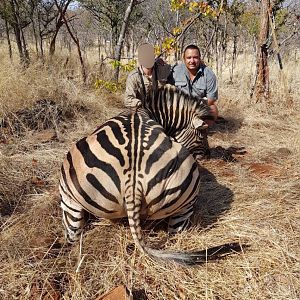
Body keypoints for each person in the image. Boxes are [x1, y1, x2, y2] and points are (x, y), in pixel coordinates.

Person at [168, 44, 218, 121]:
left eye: (195, 57)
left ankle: (202, 130)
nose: (192, 61)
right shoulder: (174, 71)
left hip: (198, 108)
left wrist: (193, 108)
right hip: (179, 108)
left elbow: (211, 100)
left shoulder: (209, 74)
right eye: (189, 58)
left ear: (200, 58)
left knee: (213, 109)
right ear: (184, 59)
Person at [124, 43, 170, 108]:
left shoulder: (161, 71)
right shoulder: (133, 76)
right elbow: (128, 100)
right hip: (141, 109)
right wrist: (140, 104)